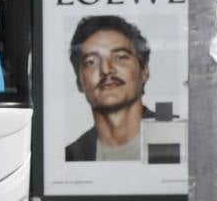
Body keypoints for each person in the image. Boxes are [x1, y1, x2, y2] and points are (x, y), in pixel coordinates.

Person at [64, 14, 155, 162]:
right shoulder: (71, 156)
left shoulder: (180, 138)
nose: (106, 70)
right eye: (91, 62)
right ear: (79, 81)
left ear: (144, 71)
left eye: (120, 57)